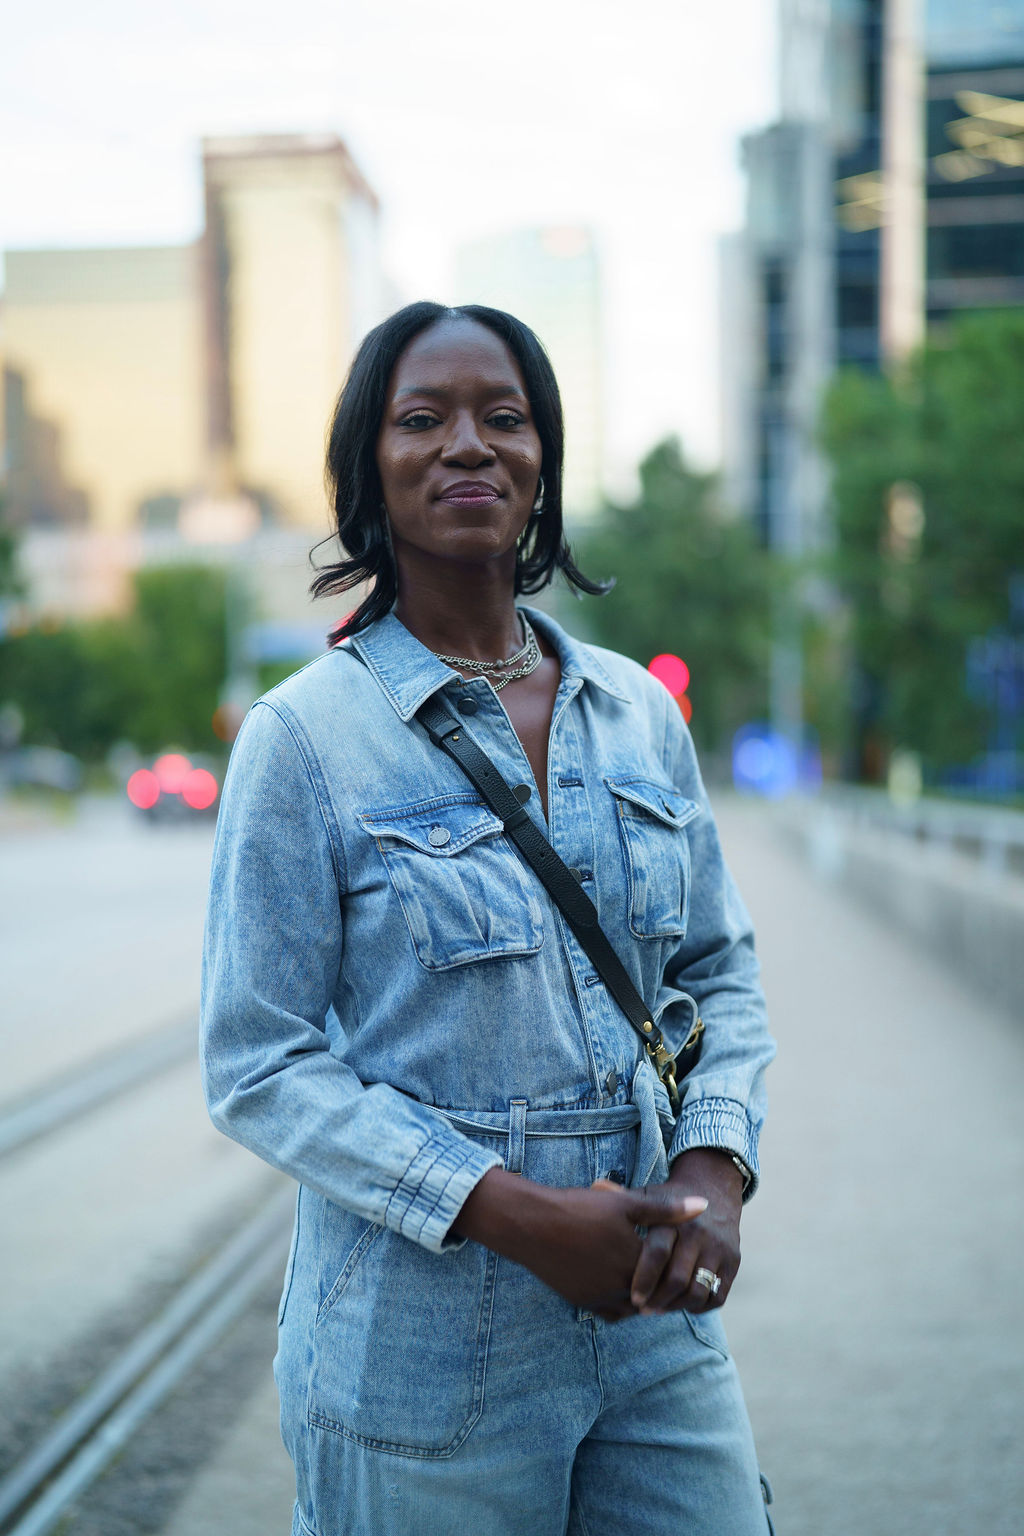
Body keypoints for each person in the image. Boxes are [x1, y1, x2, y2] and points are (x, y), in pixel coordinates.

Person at [201, 301, 776, 1536]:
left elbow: (718, 973)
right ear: (372, 465)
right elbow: (258, 1063)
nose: (468, 444)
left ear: (542, 461)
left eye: (502, 417)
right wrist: (509, 1214)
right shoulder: (303, 739)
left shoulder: (636, 714)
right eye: (424, 419)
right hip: (421, 1349)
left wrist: (714, 1167)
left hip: (653, 1331)